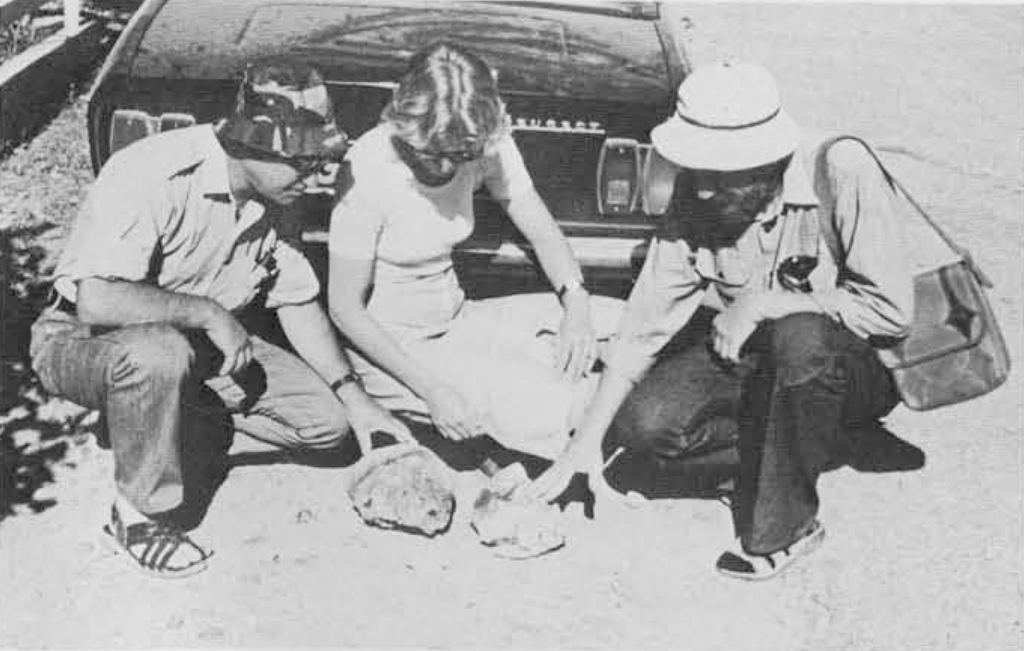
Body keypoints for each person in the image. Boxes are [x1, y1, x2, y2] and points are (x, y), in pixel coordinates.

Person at [530, 61, 922, 580]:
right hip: (755, 357)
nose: (706, 191)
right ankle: (801, 445)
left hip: (851, 366)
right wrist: (582, 448)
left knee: (800, 337)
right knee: (643, 432)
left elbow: (892, 311)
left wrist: (766, 302)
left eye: (722, 175)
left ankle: (786, 525)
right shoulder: (696, 192)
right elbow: (643, 328)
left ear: (768, 161)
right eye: (699, 172)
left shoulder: (841, 167)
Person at [29, 62, 411, 579]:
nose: (316, 174)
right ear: (251, 145)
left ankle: (158, 414)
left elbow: (296, 299)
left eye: (320, 158)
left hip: (199, 347)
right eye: (303, 161)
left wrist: (357, 400)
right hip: (85, 340)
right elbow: (98, 300)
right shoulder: (150, 170)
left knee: (328, 430)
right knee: (157, 354)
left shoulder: (278, 191)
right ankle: (137, 514)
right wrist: (207, 313)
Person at [328, 42, 622, 461]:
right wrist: (433, 391)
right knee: (567, 404)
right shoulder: (370, 168)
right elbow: (344, 308)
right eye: (433, 153)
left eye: (461, 155)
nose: (448, 168)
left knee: (627, 326)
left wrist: (576, 303)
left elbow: (541, 230)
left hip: (461, 316)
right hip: (400, 351)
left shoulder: (481, 142)